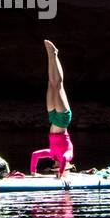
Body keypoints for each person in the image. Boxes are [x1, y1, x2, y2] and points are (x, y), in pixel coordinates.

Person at [30, 40, 74, 177]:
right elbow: (65, 159)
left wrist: (33, 173)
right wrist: (61, 173)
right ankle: (55, 54)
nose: (55, 167)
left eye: (54, 168)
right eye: (57, 168)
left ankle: (50, 55)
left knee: (51, 84)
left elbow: (35, 155)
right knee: (58, 85)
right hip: (63, 118)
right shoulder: (68, 156)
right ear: (67, 167)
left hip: (52, 118)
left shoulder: (52, 154)